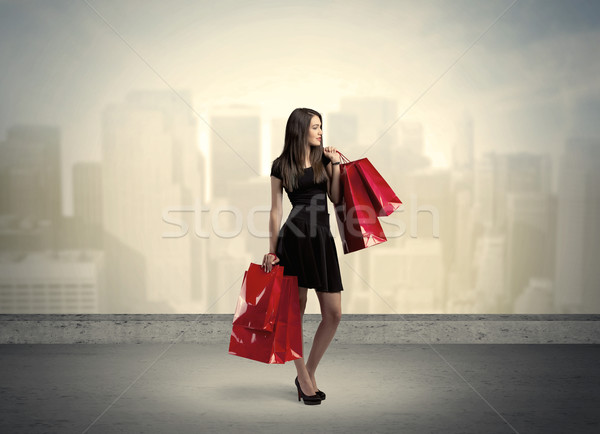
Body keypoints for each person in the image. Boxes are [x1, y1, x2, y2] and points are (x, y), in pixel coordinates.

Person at [262, 107, 344, 405]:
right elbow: (275, 210)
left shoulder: (325, 159)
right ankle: (305, 380)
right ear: (300, 129)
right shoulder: (280, 165)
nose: (321, 131)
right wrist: (272, 252)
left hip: (322, 241)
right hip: (293, 241)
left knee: (333, 313)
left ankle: (306, 374)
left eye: (321, 126)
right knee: (294, 313)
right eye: (315, 127)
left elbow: (335, 198)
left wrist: (335, 165)